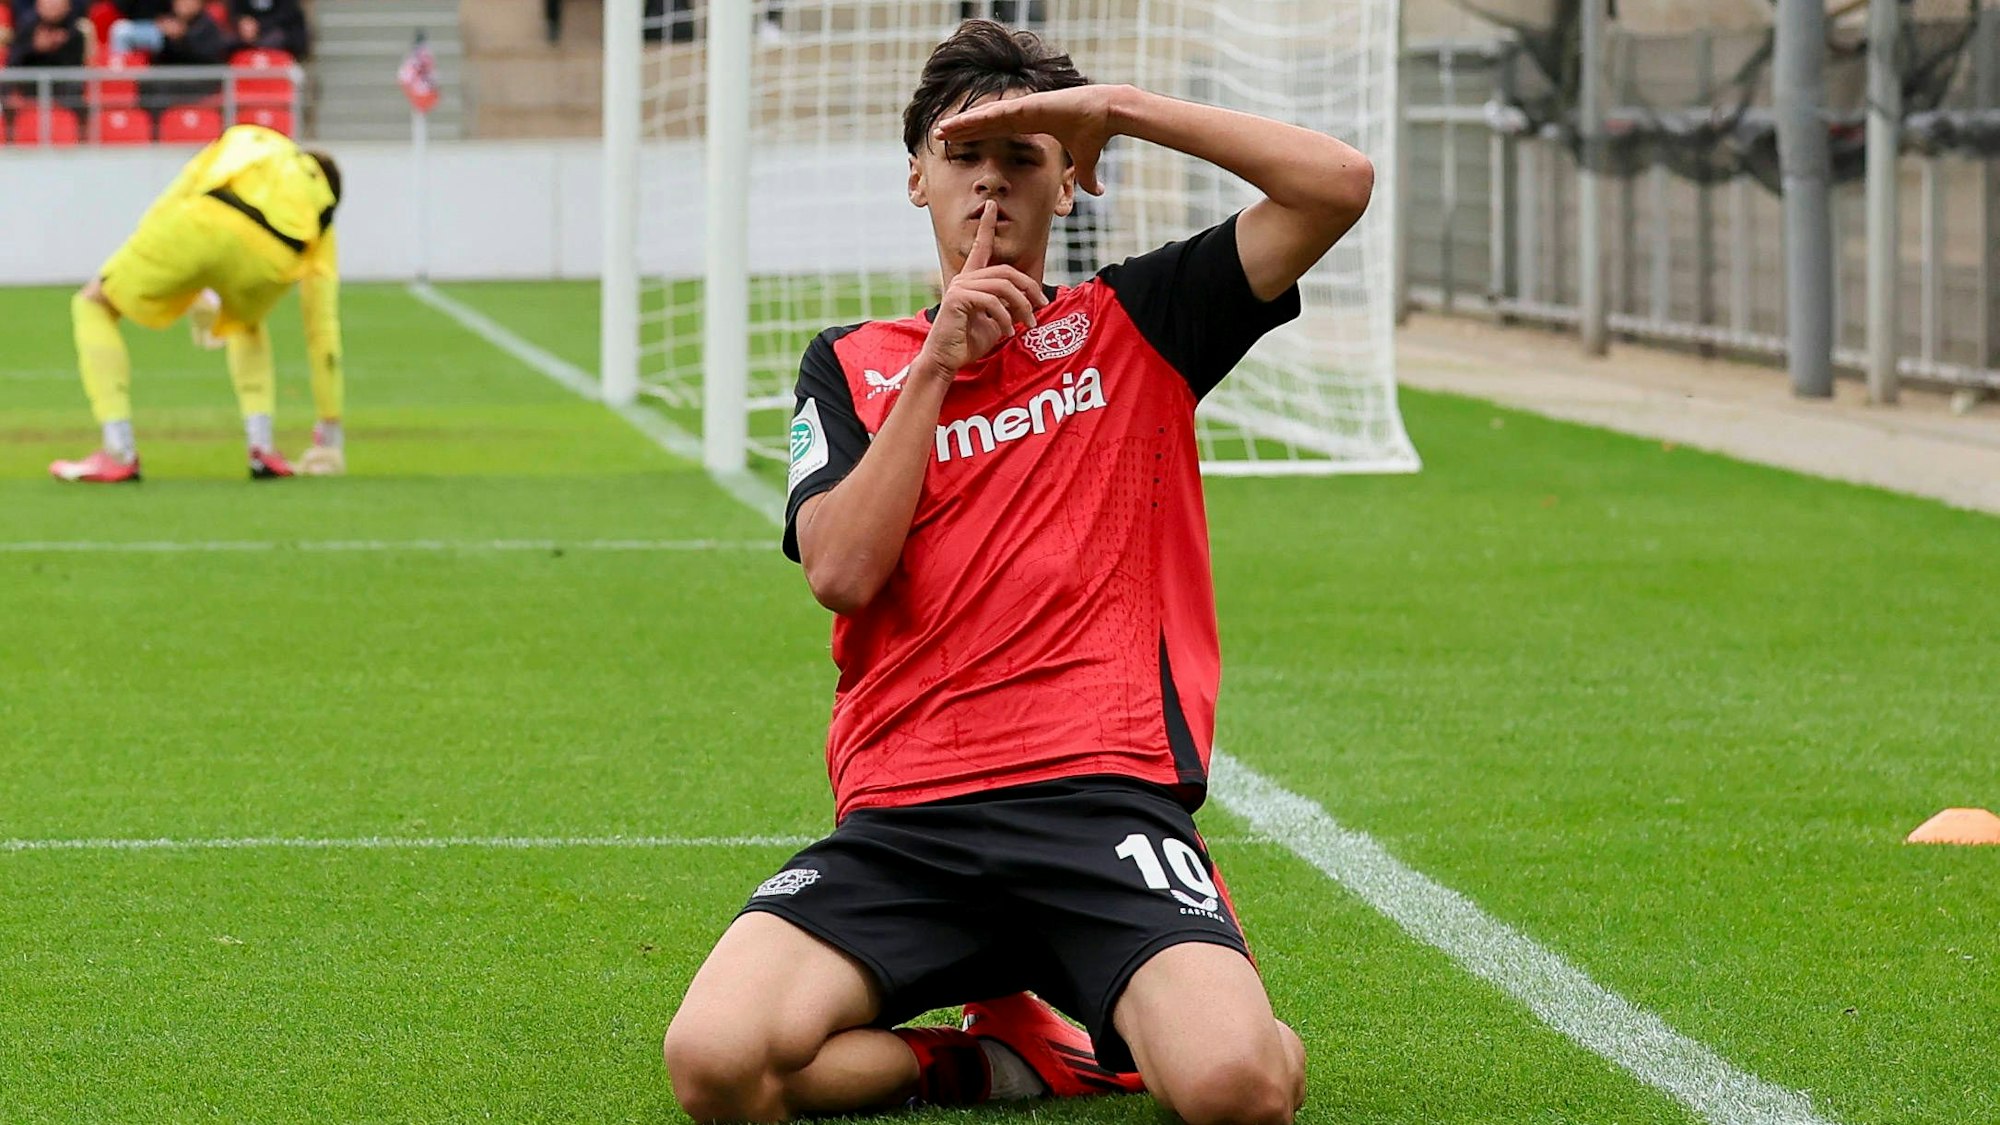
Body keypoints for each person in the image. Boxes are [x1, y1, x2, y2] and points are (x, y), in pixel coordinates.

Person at [663, 18, 1373, 1125]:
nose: (989, 184)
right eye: (962, 156)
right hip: (906, 818)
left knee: (1237, 1088)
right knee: (716, 1066)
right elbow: (841, 571)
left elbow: (1335, 186)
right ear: (917, 178)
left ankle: (1186, 1013)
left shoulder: (1139, 321)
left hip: (1099, 799)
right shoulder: (849, 364)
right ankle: (994, 1061)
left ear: (1068, 183)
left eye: (1024, 156)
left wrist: (1115, 110)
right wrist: (938, 364)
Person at [51, 123, 347, 483]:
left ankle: (118, 450)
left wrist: (155, 256)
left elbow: (182, 189)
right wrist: (330, 432)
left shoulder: (255, 138)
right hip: (276, 257)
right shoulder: (322, 210)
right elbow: (322, 327)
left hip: (202, 224)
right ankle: (262, 448)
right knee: (246, 324)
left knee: (95, 303)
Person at [228, 0, 305, 58]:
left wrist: (259, 25)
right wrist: (242, 21)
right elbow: (235, 11)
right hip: (244, 37)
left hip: (278, 34)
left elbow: (288, 15)